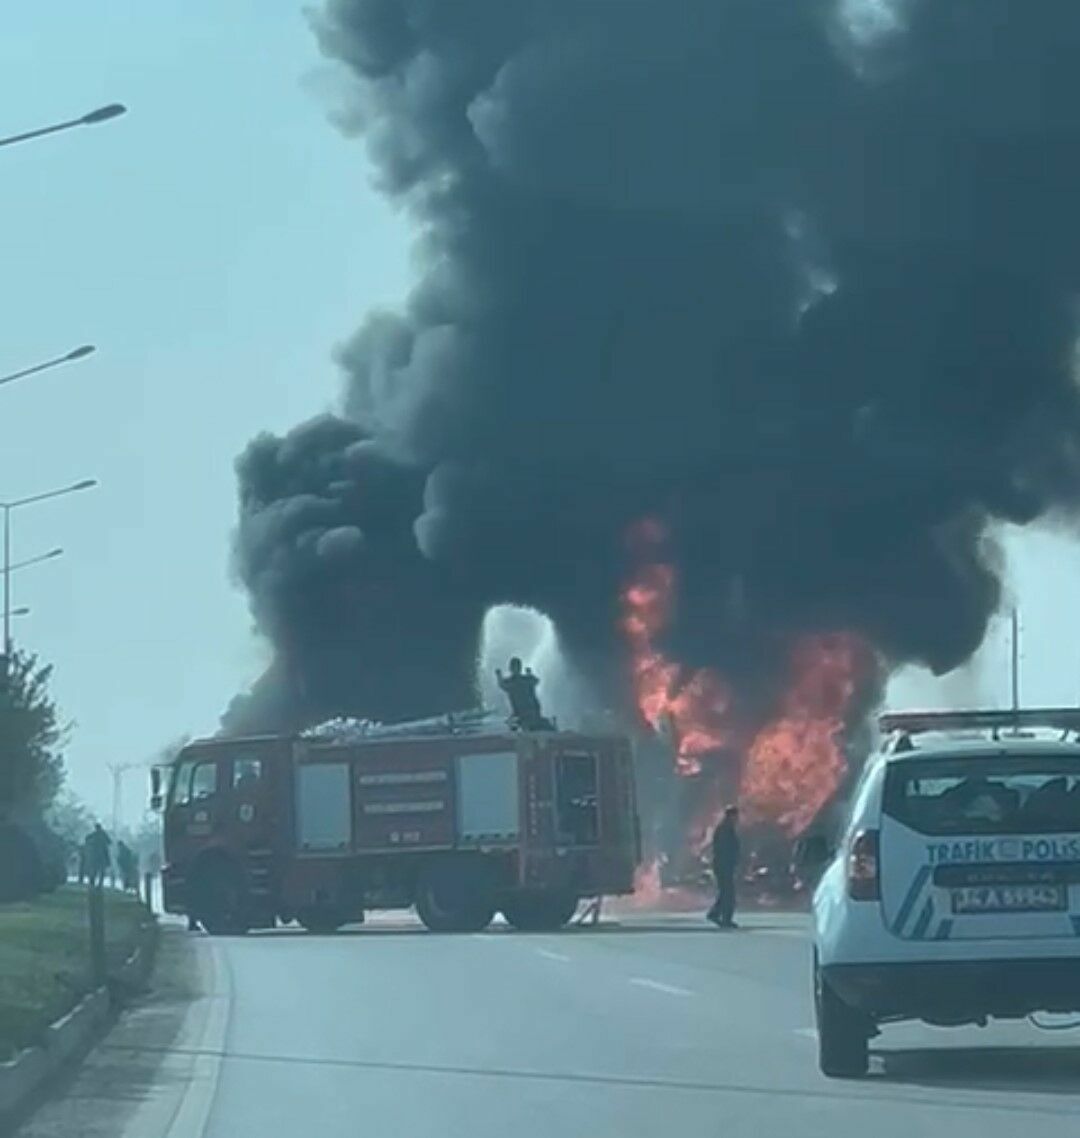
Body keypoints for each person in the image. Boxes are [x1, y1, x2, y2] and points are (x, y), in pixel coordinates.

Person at [707, 806, 740, 929]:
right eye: (735, 816)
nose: (737, 819)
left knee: (725, 892)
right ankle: (726, 918)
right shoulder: (724, 830)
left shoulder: (726, 829)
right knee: (728, 893)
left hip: (724, 865)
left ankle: (715, 913)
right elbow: (724, 849)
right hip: (724, 865)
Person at [495, 657, 544, 729]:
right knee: (512, 723)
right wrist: (499, 676)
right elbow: (502, 685)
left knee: (527, 723)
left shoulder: (525, 680)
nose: (516, 669)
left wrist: (529, 674)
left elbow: (536, 681)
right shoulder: (511, 681)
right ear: (510, 669)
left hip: (531, 711)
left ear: (520, 668)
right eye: (514, 667)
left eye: (517, 667)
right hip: (519, 713)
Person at [84, 823, 112, 888]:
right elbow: (110, 842)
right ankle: (99, 883)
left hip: (96, 855)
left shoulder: (95, 834)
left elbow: (87, 838)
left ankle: (93, 882)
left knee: (95, 870)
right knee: (101, 870)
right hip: (102, 856)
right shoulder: (103, 834)